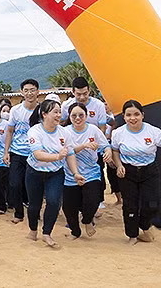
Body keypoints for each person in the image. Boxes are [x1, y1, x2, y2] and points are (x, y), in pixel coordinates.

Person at [112, 100, 161, 244]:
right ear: (124, 117)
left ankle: (144, 226)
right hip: (127, 172)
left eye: (136, 114)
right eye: (128, 115)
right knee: (130, 206)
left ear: (142, 115)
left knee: (152, 204)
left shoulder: (153, 132)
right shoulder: (118, 133)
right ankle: (132, 235)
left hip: (149, 170)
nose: (133, 118)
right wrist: (118, 165)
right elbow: (115, 150)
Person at [25, 99, 79, 248]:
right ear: (44, 114)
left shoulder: (64, 132)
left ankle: (47, 233)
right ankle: (33, 230)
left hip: (55, 173)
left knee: (54, 202)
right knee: (34, 205)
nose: (58, 115)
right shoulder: (35, 131)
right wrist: (57, 156)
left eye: (59, 111)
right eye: (55, 112)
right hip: (34, 172)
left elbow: (70, 153)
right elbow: (37, 154)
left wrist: (75, 173)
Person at [62, 102, 111, 239]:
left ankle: (87, 220)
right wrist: (84, 146)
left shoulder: (93, 130)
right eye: (74, 115)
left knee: (93, 200)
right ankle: (75, 232)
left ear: (86, 115)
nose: (78, 118)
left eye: (81, 115)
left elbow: (105, 146)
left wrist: (107, 153)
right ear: (69, 117)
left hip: (91, 173)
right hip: (70, 174)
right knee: (69, 208)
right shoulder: (65, 132)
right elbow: (67, 151)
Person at [60, 77, 109, 211]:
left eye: (85, 93)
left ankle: (98, 200)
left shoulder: (98, 105)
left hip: (93, 145)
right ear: (73, 92)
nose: (82, 97)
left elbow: (102, 127)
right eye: (78, 94)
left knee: (96, 172)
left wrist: (100, 146)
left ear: (89, 91)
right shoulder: (66, 106)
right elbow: (61, 124)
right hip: (73, 145)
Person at [5, 79, 39, 224]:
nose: (29, 93)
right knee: (14, 184)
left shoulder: (43, 110)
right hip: (17, 152)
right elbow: (10, 131)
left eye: (32, 90)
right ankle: (19, 213)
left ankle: (34, 212)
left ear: (38, 91)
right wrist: (6, 152)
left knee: (34, 186)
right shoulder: (16, 110)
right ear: (21, 92)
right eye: (26, 90)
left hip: (36, 153)